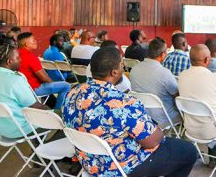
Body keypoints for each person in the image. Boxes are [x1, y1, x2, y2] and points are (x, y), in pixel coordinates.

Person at [63, 47, 197, 177]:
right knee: (189, 151)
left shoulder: (72, 92)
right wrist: (157, 131)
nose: (124, 68)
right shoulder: (123, 102)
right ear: (114, 72)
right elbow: (151, 142)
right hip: (121, 167)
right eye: (121, 64)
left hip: (89, 162)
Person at [178, 44, 216, 153]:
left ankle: (213, 149)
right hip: (214, 130)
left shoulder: (182, 76)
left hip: (190, 129)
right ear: (207, 59)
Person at [0, 44, 49, 138]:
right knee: (64, 119)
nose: (20, 60)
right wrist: (50, 111)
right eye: (17, 58)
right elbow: (34, 105)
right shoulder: (15, 80)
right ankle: (42, 150)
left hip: (1, 130)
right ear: (9, 61)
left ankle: (39, 145)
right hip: (21, 129)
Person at [130, 37, 181, 127]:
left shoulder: (134, 69)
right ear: (162, 54)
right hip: (163, 119)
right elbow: (177, 96)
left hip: (141, 116)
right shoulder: (165, 73)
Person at [18, 32, 71, 109]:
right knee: (66, 85)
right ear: (26, 44)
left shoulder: (15, 54)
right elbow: (44, 78)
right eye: (33, 40)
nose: (36, 41)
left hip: (21, 88)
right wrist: (52, 84)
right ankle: (58, 111)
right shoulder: (31, 57)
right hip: (33, 89)